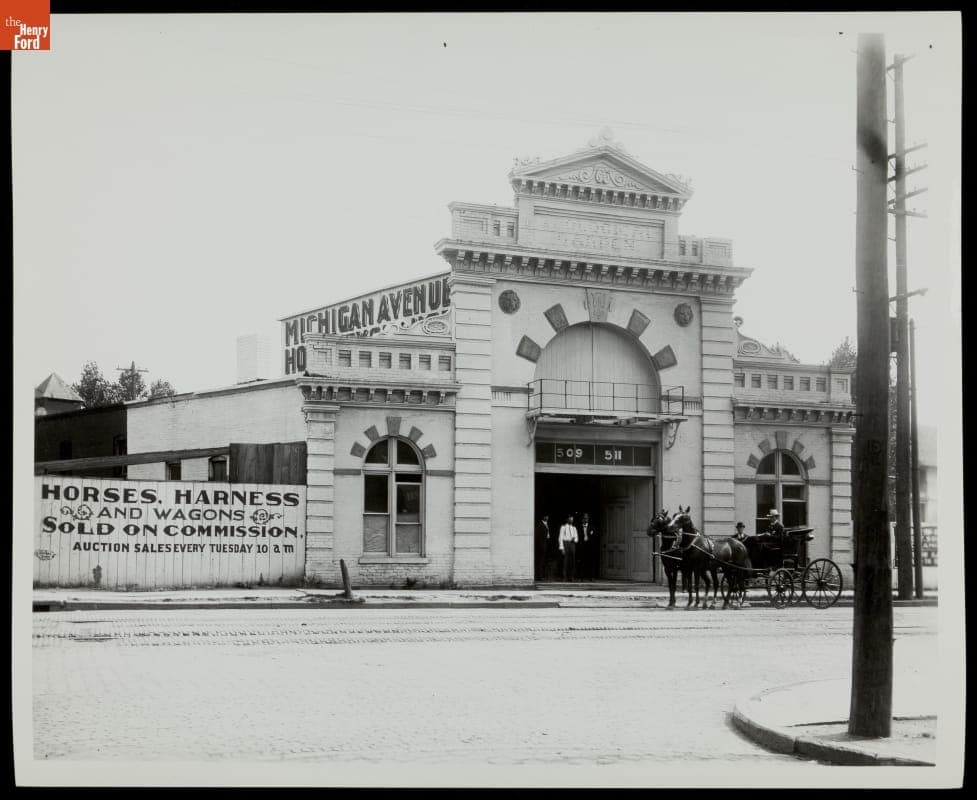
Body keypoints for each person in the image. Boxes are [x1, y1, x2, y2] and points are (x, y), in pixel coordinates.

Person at [558, 514, 578, 582]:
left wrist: (574, 539)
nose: (571, 520)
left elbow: (577, 538)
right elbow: (560, 538)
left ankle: (571, 577)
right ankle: (564, 577)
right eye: (570, 519)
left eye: (572, 519)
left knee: (572, 561)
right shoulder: (563, 527)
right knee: (565, 561)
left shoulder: (574, 528)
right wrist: (562, 548)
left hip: (572, 544)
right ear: (567, 519)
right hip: (565, 543)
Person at [578, 513, 598, 581]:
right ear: (582, 519)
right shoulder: (579, 527)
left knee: (591, 562)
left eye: (587, 518)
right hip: (582, 546)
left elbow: (595, 536)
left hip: (590, 547)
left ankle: (591, 577)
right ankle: (581, 577)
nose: (585, 519)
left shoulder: (592, 527)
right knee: (582, 561)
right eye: (584, 518)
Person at [534, 514, 550, 581]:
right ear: (543, 517)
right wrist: (539, 545)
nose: (547, 517)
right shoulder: (540, 525)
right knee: (539, 561)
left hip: (545, 544)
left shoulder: (546, 524)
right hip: (541, 546)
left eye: (547, 516)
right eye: (545, 516)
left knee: (543, 561)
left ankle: (542, 575)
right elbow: (537, 536)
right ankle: (539, 576)